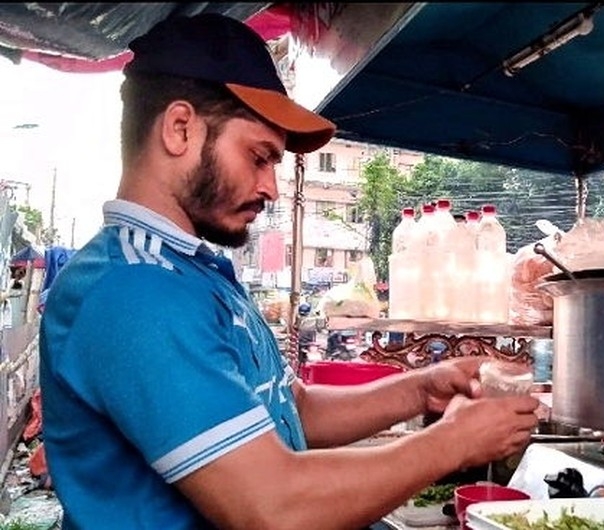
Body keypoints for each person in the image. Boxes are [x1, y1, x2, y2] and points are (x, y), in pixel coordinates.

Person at [38, 13, 539, 530]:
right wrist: (450, 443)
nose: (271, 187)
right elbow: (272, 507)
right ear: (179, 129)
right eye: (259, 157)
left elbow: (288, 408)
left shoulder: (193, 271)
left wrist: (420, 388)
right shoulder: (134, 290)